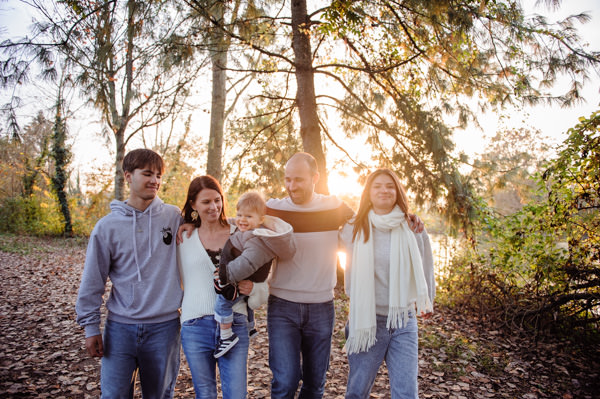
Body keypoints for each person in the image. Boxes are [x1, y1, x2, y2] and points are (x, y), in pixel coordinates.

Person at [265, 153, 424, 399]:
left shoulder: (336, 207)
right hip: (287, 306)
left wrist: (408, 218)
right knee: (285, 381)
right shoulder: (273, 209)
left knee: (316, 383)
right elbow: (241, 222)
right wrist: (192, 221)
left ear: (315, 178)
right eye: (287, 179)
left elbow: (369, 216)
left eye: (299, 179)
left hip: (323, 307)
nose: (291, 186)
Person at [75, 148, 183, 398]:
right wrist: (91, 327)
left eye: (158, 175)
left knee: (159, 395)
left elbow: (211, 225)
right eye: (147, 174)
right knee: (114, 395)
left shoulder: (173, 217)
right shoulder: (107, 227)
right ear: (128, 176)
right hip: (120, 329)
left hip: (164, 328)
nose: (155, 180)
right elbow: (93, 281)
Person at [339, 168, 435, 399]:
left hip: (404, 319)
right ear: (368, 193)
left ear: (398, 192)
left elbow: (426, 265)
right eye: (377, 185)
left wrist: (428, 301)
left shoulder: (412, 227)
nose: (384, 190)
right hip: (367, 319)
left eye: (390, 186)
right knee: (357, 392)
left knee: (406, 393)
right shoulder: (352, 227)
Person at [177, 176, 269, 399]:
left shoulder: (241, 231)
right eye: (206, 202)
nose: (214, 207)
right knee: (205, 394)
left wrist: (253, 289)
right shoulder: (184, 237)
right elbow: (179, 281)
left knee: (236, 394)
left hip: (235, 323)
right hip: (194, 325)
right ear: (193, 205)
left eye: (217, 200)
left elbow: (263, 270)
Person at [214, 191, 296, 358]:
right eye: (239, 215)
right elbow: (229, 222)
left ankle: (226, 336)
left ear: (261, 219)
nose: (242, 219)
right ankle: (251, 326)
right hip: (246, 280)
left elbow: (247, 264)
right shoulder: (247, 231)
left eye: (249, 216)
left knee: (222, 303)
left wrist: (224, 275)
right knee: (244, 300)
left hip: (240, 278)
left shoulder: (256, 239)